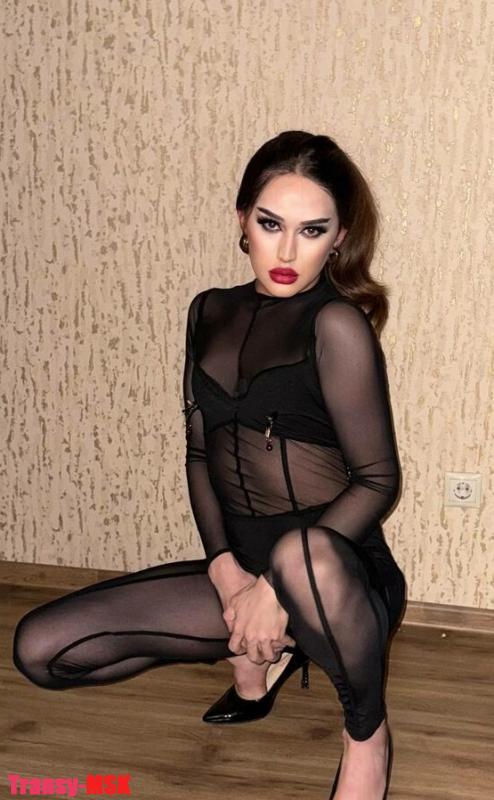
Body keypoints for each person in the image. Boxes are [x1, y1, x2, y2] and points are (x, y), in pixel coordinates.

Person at [12, 130, 406, 800]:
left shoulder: (336, 326)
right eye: (271, 224)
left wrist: (274, 590)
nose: (288, 252)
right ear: (242, 220)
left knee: (301, 557)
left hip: (333, 574)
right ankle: (271, 648)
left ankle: (367, 734)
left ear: (339, 239)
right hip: (245, 564)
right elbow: (200, 451)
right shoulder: (208, 311)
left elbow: (377, 480)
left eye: (312, 231)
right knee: (42, 650)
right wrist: (225, 567)